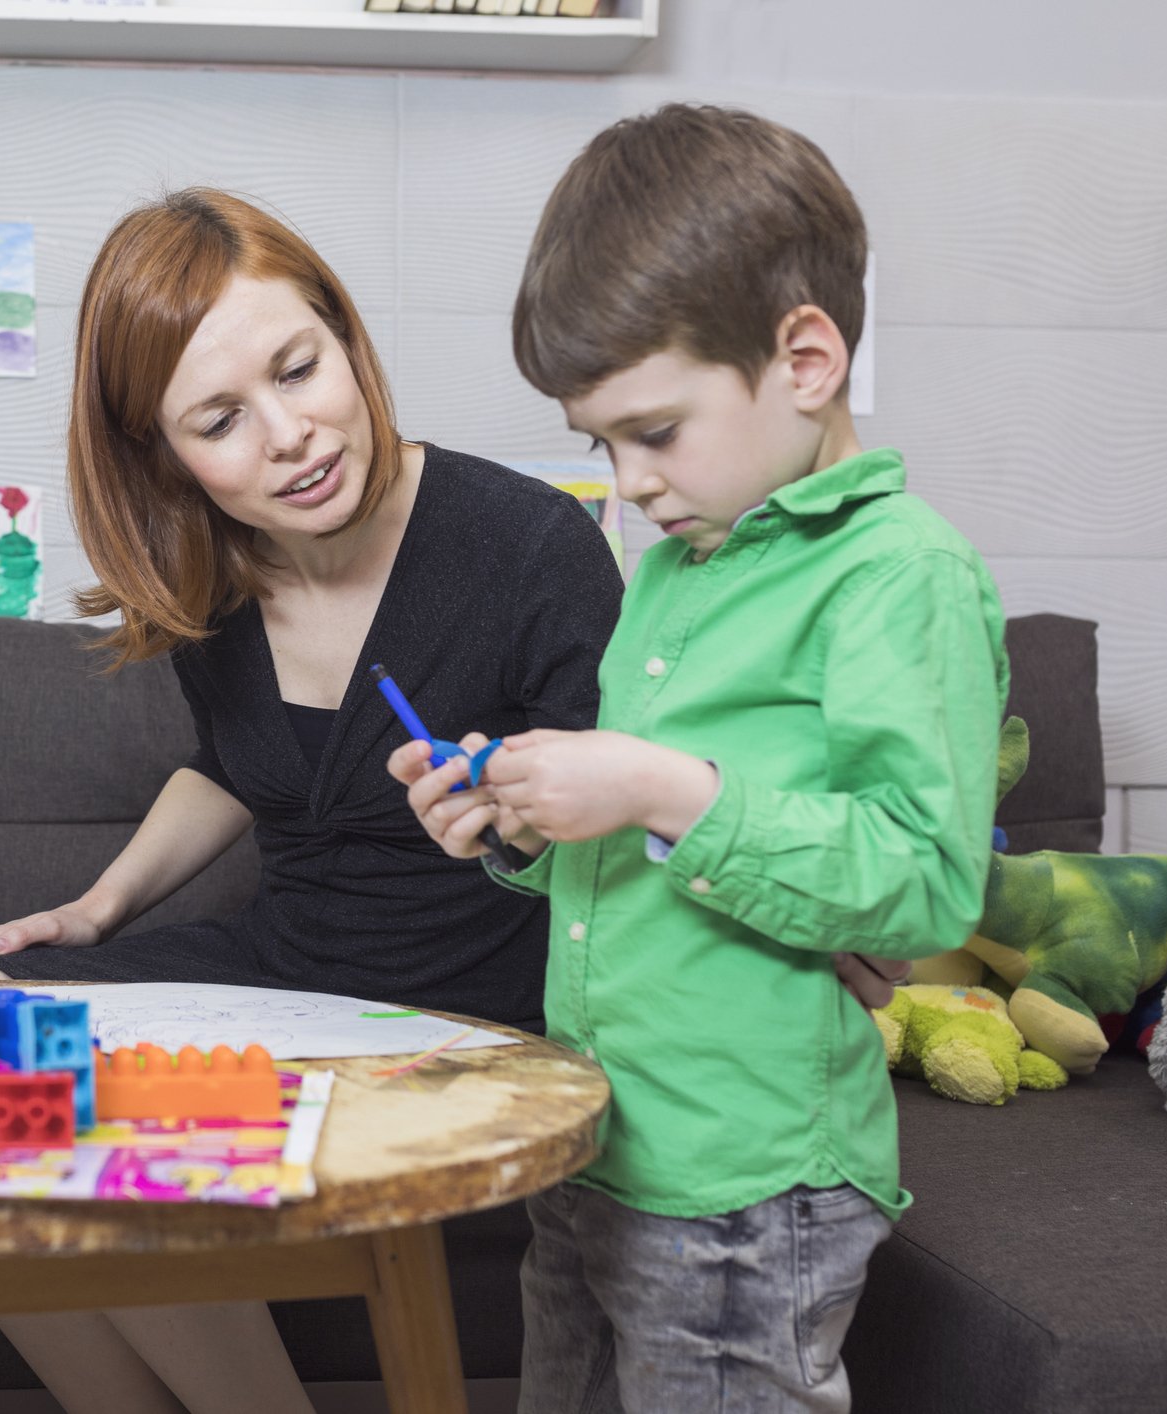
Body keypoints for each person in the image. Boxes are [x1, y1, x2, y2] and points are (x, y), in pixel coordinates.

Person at [0, 189, 624, 1414]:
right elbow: (241, 767)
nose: (291, 436)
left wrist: (517, 806)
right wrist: (98, 908)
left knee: (104, 1137)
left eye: (300, 369)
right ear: (166, 455)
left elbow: (620, 816)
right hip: (288, 972)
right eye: (220, 420)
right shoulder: (219, 571)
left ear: (348, 339)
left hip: (468, 998)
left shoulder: (528, 547)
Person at [395, 105, 1004, 1413]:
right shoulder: (675, 566)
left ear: (805, 357)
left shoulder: (902, 576)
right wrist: (517, 820)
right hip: (599, 1137)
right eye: (597, 443)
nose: (625, 483)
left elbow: (923, 878)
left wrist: (662, 786)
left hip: (746, 1177)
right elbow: (644, 857)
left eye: (652, 432)